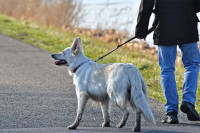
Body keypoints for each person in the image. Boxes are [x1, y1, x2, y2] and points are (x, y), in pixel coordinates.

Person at [135, 0, 200, 124]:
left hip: (164, 27)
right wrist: (188, 10)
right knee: (192, 65)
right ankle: (188, 101)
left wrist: (141, 30)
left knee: (167, 69)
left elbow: (146, 5)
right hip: (187, 24)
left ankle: (171, 113)